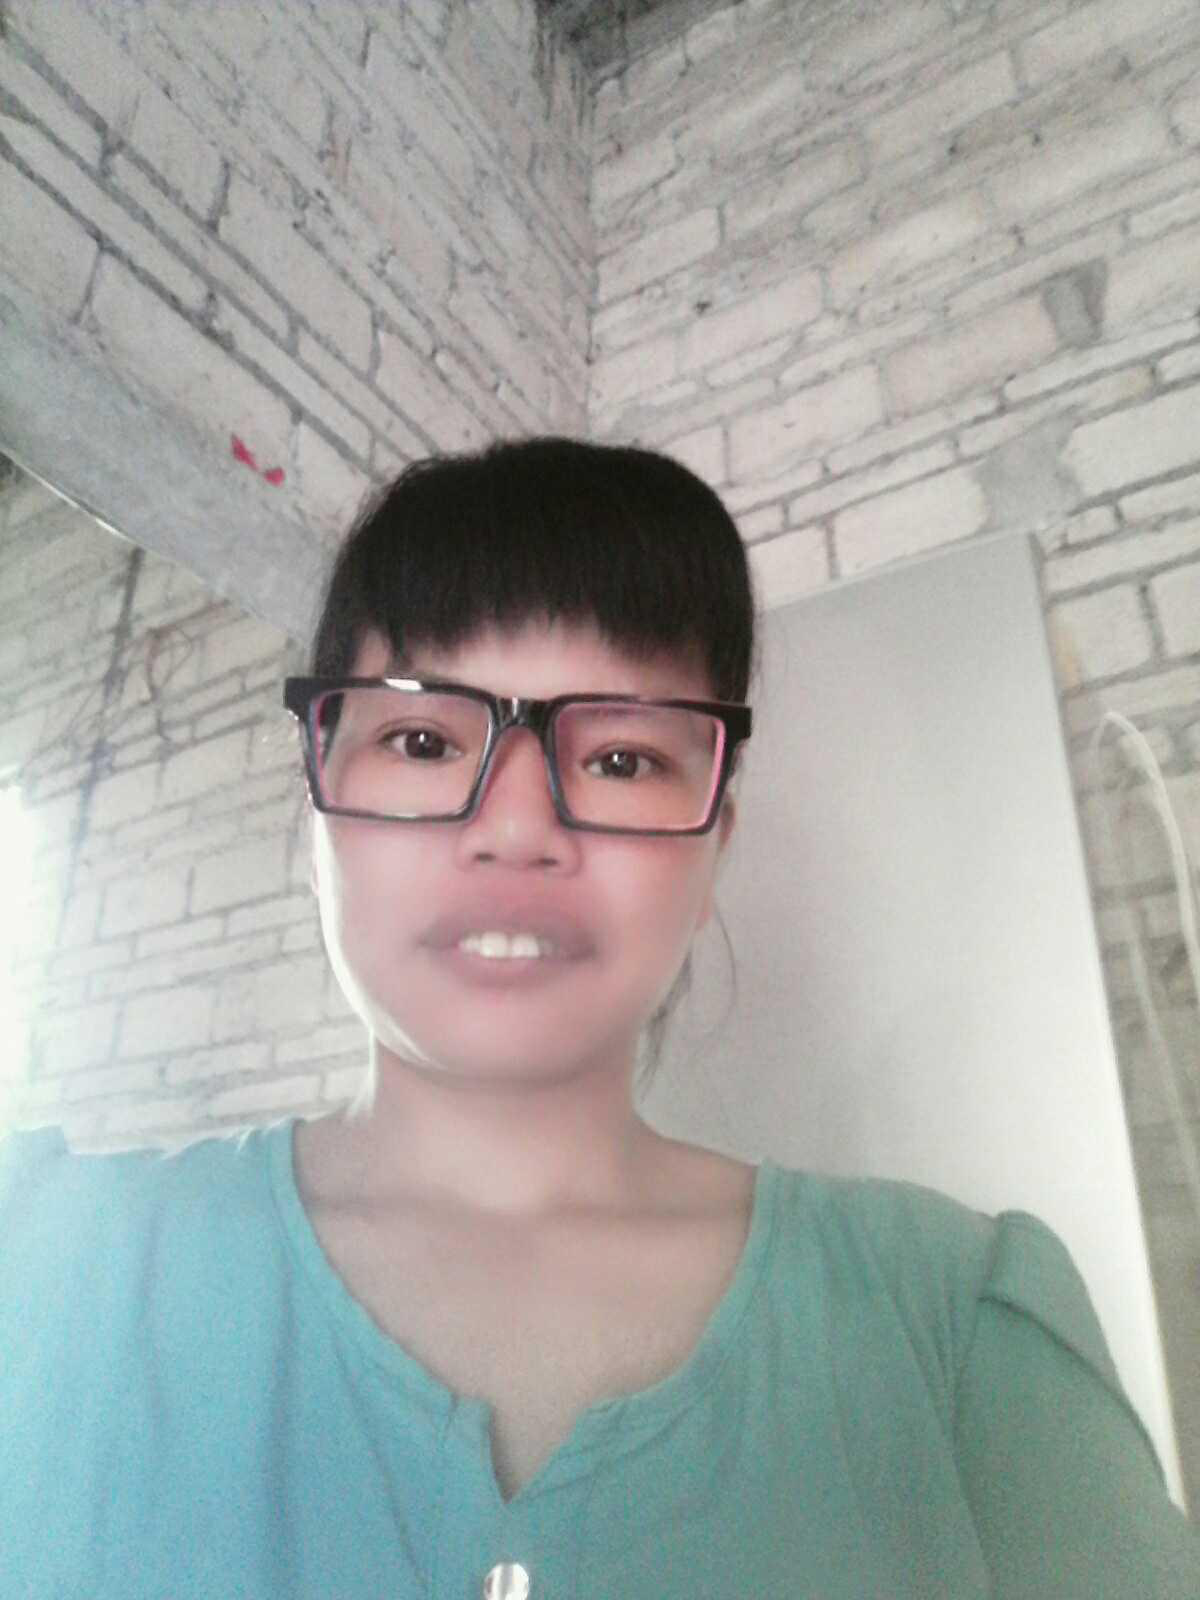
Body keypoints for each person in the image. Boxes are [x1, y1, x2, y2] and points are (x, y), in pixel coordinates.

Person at [1, 437, 1196, 1599]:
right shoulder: (44, 1269)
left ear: (714, 844)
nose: (519, 827)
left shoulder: (954, 1321)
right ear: (318, 803)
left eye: (622, 760)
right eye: (421, 738)